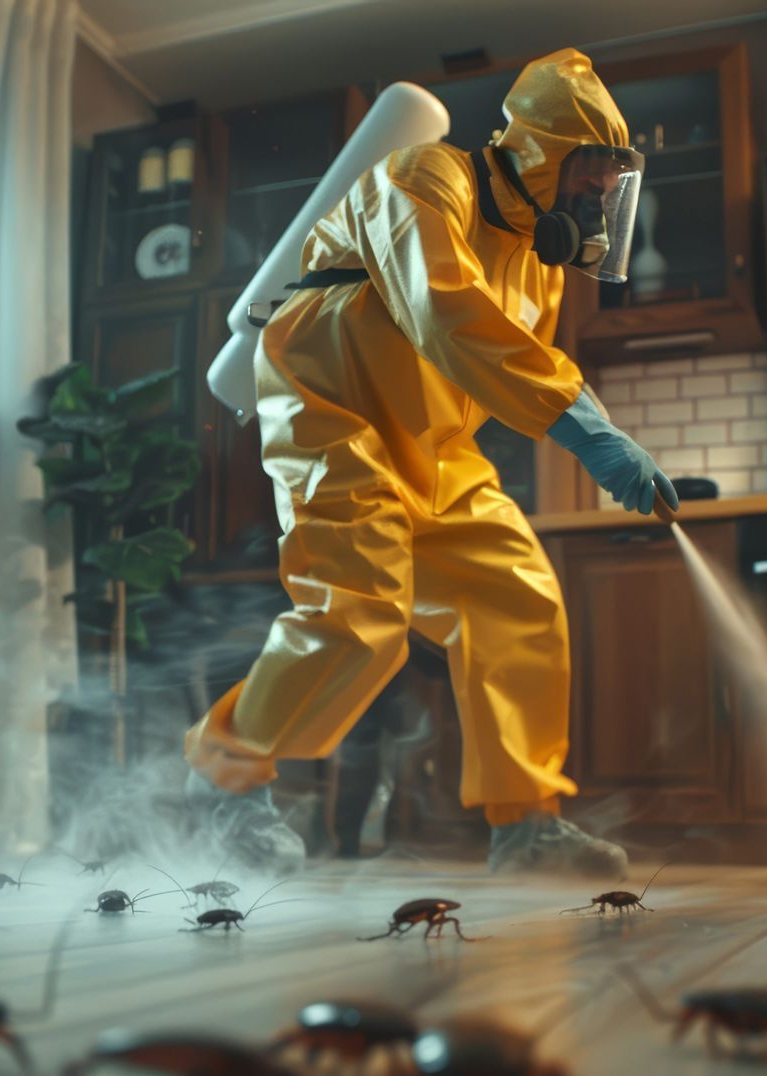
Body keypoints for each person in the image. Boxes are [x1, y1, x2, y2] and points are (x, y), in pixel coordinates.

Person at [184, 48, 677, 879]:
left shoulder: (540, 262)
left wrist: (583, 420)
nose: (596, 197)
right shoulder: (424, 177)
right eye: (588, 174)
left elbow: (512, 359)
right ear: (541, 151)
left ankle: (526, 824)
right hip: (332, 414)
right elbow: (446, 312)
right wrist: (588, 431)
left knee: (516, 596)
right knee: (361, 615)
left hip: (437, 447)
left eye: (606, 184)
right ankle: (224, 785)